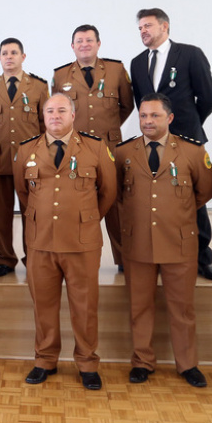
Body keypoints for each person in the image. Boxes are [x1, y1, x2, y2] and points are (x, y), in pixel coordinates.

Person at [13, 93, 116, 390]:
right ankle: (45, 359)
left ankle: (87, 362)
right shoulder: (25, 151)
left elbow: (107, 193)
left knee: (84, 306)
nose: (55, 116)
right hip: (40, 240)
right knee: (43, 305)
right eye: (49, 111)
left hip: (81, 241)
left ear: (73, 115)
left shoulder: (95, 148)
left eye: (61, 110)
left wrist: (84, 217)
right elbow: (24, 192)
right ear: (42, 116)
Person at [114, 93, 212, 388]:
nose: (148, 121)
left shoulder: (192, 152)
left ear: (169, 118)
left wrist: (175, 213)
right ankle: (142, 362)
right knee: (139, 306)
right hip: (138, 243)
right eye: (143, 116)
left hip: (179, 242)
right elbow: (117, 193)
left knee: (182, 308)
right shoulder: (123, 153)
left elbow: (204, 192)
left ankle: (187, 364)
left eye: (154, 116)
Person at [130, 8, 212, 281]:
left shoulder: (190, 54)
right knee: (158, 198)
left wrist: (188, 124)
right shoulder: (136, 63)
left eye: (147, 26)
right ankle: (162, 255)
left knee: (194, 198)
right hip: (153, 143)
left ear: (164, 27)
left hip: (186, 139)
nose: (143, 31)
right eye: (140, 28)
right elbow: (141, 104)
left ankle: (203, 259)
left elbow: (208, 97)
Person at [52, 24, 133, 271]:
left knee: (115, 203)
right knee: (76, 202)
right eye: (79, 41)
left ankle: (122, 259)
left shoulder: (116, 70)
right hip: (76, 151)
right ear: (72, 46)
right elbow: (57, 111)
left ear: (98, 43)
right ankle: (76, 255)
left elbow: (127, 105)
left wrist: (109, 128)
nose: (84, 44)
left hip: (109, 148)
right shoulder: (61, 75)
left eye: (89, 40)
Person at [0, 38, 48, 276]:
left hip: (30, 162)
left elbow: (43, 124)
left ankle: (34, 257)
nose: (9, 57)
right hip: (0, 160)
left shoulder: (39, 86)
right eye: (4, 53)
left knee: (32, 211)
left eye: (14, 53)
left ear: (23, 57)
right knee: (2, 213)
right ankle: (5, 259)